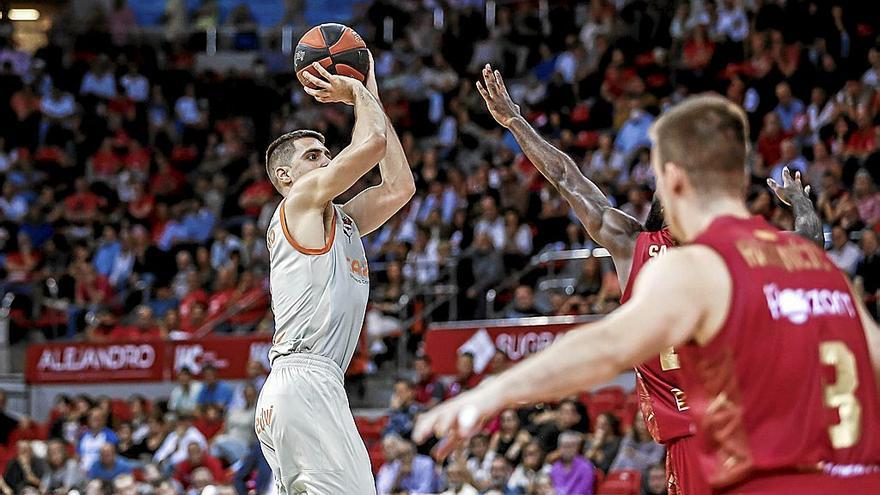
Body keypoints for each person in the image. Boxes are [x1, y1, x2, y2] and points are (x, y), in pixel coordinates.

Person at [416, 94, 880, 493]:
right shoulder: (751, 254)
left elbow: (605, 347)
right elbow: (810, 249)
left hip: (717, 443)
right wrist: (802, 206)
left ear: (678, 183)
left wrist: (491, 393)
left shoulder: (694, 261)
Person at [256, 52, 415, 495]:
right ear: (286, 175)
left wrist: (369, 93)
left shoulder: (341, 219)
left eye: (327, 152)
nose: (325, 160)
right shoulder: (298, 202)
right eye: (313, 155)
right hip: (305, 380)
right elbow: (371, 147)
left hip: (305, 387)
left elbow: (400, 187)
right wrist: (359, 92)